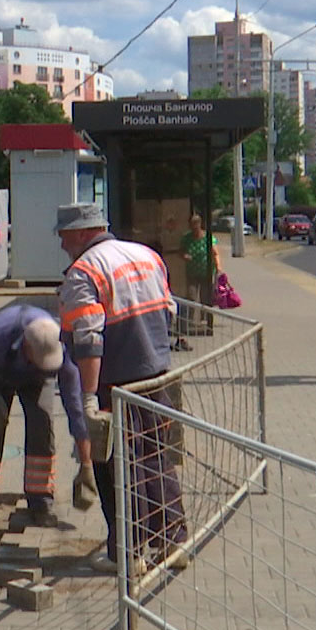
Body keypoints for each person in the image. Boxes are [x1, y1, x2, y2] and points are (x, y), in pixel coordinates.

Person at [54, 202, 188, 573]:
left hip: (116, 384)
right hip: (156, 377)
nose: (62, 243)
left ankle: (127, 554)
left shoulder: (84, 271)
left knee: (115, 465)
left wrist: (89, 397)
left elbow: (89, 340)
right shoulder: (146, 255)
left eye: (64, 235)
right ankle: (173, 542)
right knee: (154, 458)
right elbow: (169, 312)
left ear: (82, 232)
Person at [0, 305, 94, 529]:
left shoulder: (63, 354)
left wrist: (86, 463)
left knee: (43, 426)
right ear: (27, 347)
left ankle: (40, 503)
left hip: (36, 381)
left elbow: (75, 408)